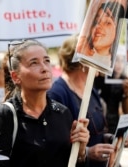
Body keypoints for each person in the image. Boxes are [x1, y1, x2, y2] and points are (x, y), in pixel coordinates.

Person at [0, 39, 90, 167]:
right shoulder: (4, 115)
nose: (44, 68)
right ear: (15, 77)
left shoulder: (63, 113)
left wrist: (81, 152)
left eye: (47, 61)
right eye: (34, 63)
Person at [48, 34, 115, 167]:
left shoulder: (90, 89)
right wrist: (87, 152)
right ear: (82, 61)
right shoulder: (57, 93)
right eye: (97, 54)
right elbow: (56, 144)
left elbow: (97, 132)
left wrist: (113, 139)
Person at [94, 45, 128, 134]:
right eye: (116, 60)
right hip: (99, 125)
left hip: (115, 126)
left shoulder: (125, 81)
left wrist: (127, 94)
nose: (119, 64)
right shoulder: (99, 78)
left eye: (122, 60)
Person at [76, 1, 125, 67]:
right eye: (96, 22)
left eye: (107, 22)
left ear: (118, 31)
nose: (98, 26)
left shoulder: (117, 65)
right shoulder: (81, 56)